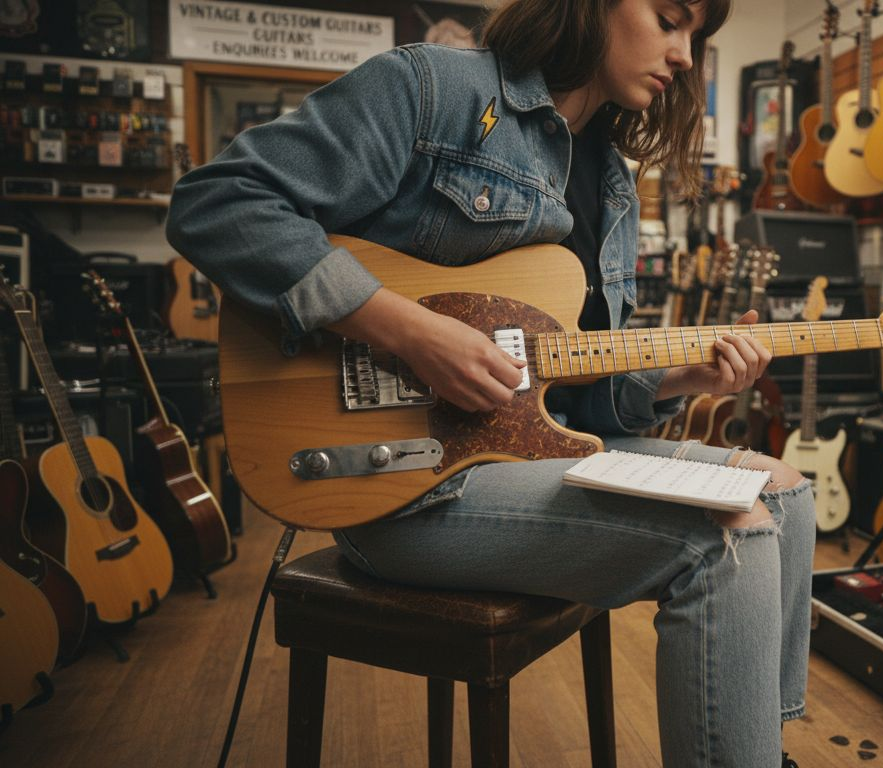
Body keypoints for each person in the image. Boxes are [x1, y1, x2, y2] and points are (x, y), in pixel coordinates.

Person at [167, 1, 816, 766]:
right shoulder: (433, 88)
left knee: (783, 492)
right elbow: (217, 202)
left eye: (696, 37)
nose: (683, 55)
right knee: (722, 538)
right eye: (670, 17)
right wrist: (406, 330)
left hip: (526, 461)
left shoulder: (612, 184)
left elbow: (577, 398)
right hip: (411, 489)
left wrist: (683, 375)